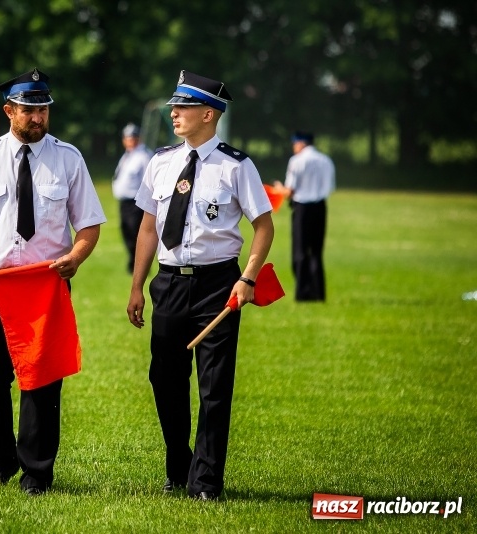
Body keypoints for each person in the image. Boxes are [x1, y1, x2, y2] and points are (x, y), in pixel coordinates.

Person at [0, 68, 106, 496]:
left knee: (42, 378)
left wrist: (75, 256)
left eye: (44, 110)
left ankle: (37, 472)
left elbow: (89, 225)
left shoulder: (68, 158)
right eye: (29, 111)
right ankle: (1, 463)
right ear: (9, 111)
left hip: (44, 286)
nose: (38, 118)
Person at [126, 70, 274, 501]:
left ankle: (207, 482)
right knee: (165, 379)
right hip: (169, 283)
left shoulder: (237, 166)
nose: (173, 113)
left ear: (208, 114)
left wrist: (247, 277)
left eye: (183, 107)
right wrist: (137, 286)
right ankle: (179, 466)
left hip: (218, 284)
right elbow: (149, 229)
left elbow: (263, 226)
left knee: (214, 387)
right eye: (174, 106)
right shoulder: (161, 161)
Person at [273, 131, 335, 301]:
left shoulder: (297, 161)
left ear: (301, 143)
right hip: (320, 207)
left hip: (302, 208)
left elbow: (289, 190)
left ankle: (303, 293)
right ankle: (318, 293)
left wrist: (278, 188)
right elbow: (330, 187)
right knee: (316, 252)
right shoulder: (326, 160)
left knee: (300, 252)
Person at [112, 123, 153, 273]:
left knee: (136, 234)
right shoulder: (127, 155)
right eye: (128, 138)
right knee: (127, 233)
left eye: (133, 138)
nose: (130, 141)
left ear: (139, 138)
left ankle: (140, 266)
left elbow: (148, 180)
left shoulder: (143, 156)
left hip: (136, 203)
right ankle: (133, 263)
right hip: (125, 202)